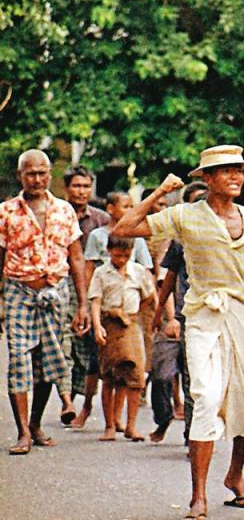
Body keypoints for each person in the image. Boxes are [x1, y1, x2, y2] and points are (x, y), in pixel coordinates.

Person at [115, 145, 244, 520]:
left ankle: (234, 477)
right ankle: (197, 495)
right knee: (204, 398)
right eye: (225, 171)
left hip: (240, 317)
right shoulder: (185, 215)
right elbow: (124, 228)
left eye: (238, 170)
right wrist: (157, 193)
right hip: (203, 316)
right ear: (206, 178)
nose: (235, 177)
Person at [0, 150, 89, 455]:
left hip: (56, 291)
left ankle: (36, 423)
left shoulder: (65, 211)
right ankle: (23, 431)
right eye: (30, 174)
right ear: (20, 176)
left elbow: (76, 257)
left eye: (42, 173)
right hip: (18, 291)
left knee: (49, 360)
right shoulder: (6, 212)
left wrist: (83, 306)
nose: (36, 179)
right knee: (19, 360)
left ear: (49, 175)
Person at [84, 190, 154, 432]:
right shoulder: (103, 272)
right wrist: (98, 325)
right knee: (109, 375)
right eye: (117, 254)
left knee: (134, 374)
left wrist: (140, 317)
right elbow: (95, 300)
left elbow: (150, 296)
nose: (121, 259)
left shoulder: (137, 272)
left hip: (132, 326)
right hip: (109, 324)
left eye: (126, 254)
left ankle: (131, 424)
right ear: (109, 251)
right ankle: (109, 425)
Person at [150, 180, 207, 444]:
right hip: (182, 314)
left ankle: (192, 436)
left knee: (196, 379)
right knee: (163, 374)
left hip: (209, 316)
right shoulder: (179, 241)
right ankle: (164, 419)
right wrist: (166, 315)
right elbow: (168, 279)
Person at [60, 165, 109, 427]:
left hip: (96, 287)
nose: (81, 191)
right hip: (62, 281)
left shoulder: (101, 219)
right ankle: (67, 399)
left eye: (85, 186)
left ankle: (84, 400)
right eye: (76, 186)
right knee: (64, 339)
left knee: (90, 346)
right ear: (67, 188)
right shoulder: (58, 213)